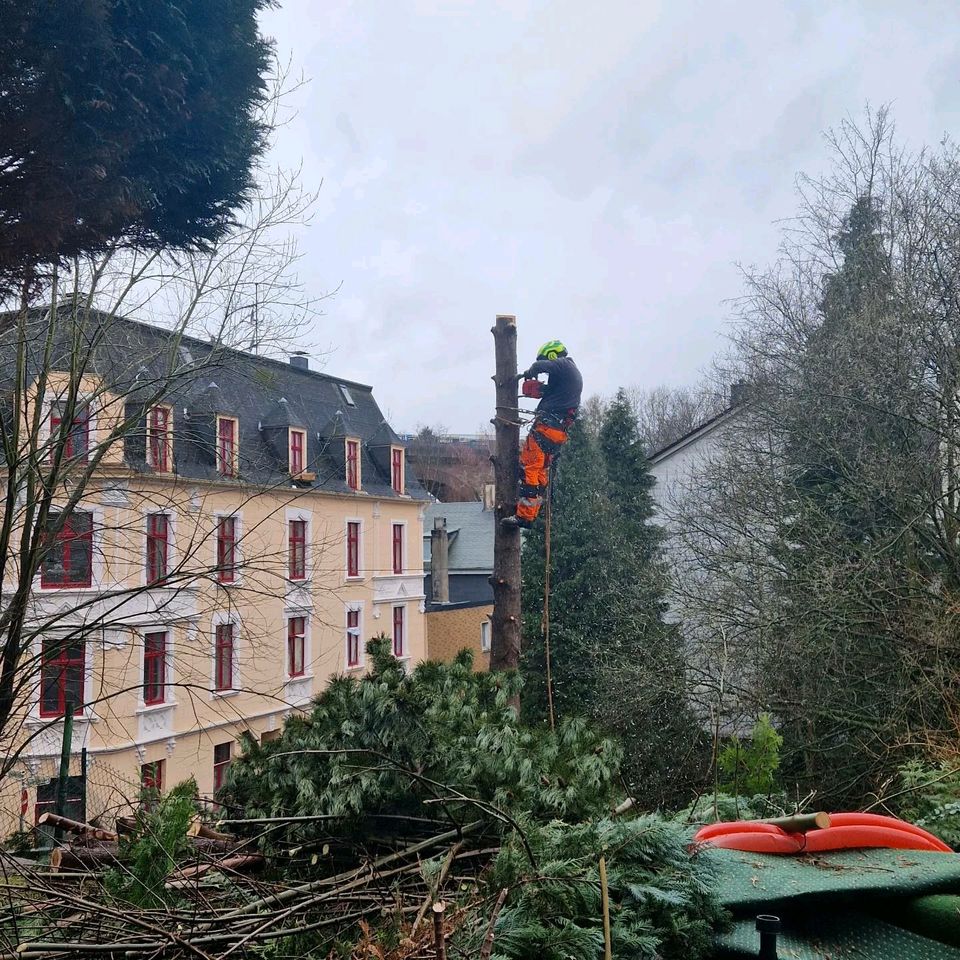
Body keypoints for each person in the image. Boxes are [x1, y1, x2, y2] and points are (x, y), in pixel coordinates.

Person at [501, 339, 583, 530]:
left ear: (553, 355)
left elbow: (541, 365)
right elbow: (556, 395)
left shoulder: (564, 365)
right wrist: (543, 390)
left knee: (529, 467)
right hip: (556, 432)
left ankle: (525, 516)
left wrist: (531, 371)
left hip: (547, 428)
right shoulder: (569, 377)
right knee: (539, 471)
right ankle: (532, 509)